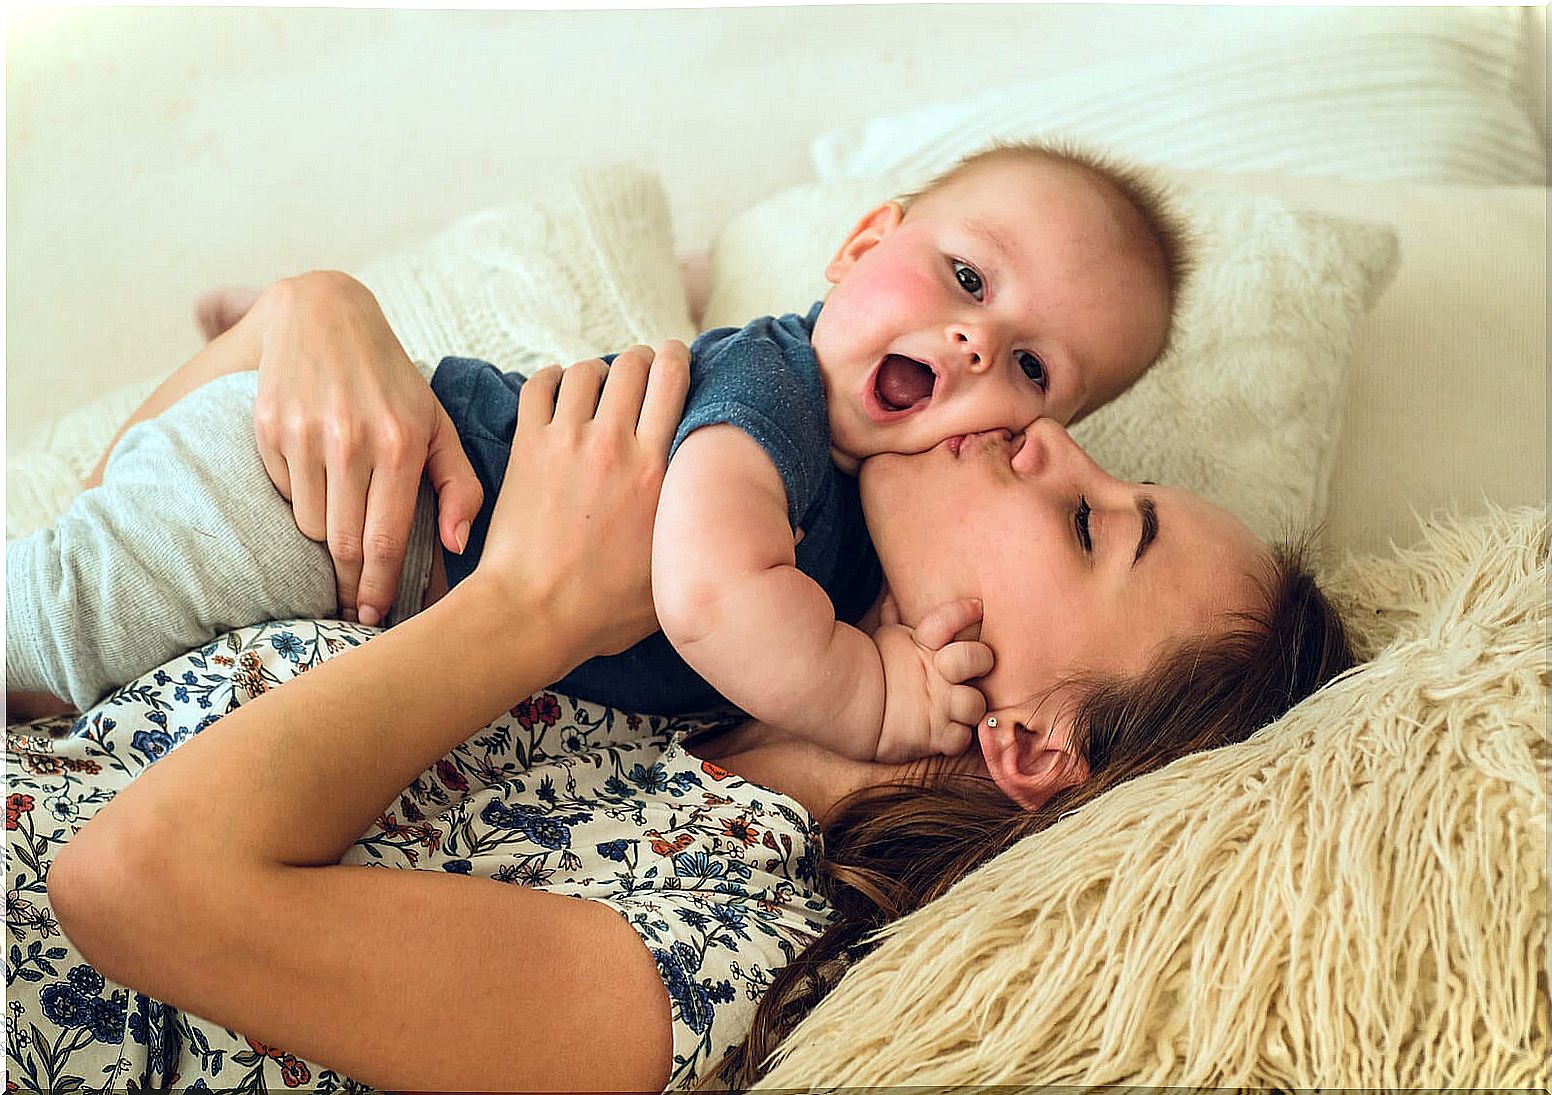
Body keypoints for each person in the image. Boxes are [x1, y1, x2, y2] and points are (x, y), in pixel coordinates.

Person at [10, 343, 1355, 1092]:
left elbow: (128, 883)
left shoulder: (720, 957)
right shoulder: (683, 637)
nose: (1048, 437)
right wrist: (311, 325)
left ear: (1027, 745)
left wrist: (535, 602)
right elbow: (117, 552)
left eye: (1089, 524)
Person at [7, 139, 1191, 764]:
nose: (976, 341)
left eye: (1033, 368)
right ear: (859, 245)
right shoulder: (768, 397)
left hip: (357, 562)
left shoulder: (849, 511)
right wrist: (868, 693)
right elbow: (708, 592)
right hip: (315, 503)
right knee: (53, 634)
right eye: (967, 277)